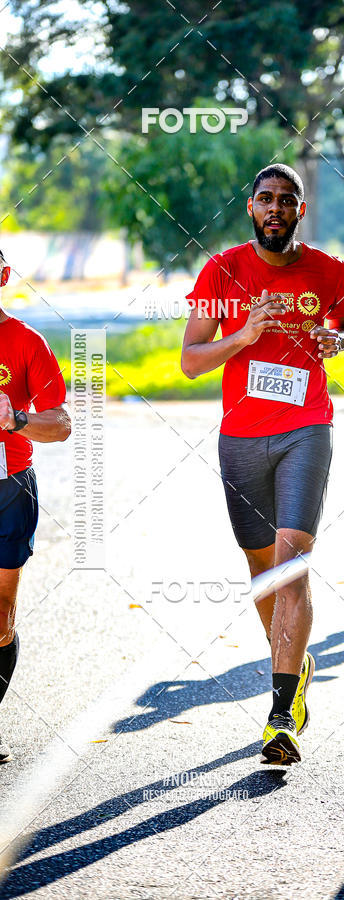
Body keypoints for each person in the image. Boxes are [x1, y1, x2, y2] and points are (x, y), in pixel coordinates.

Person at [181, 164, 344, 765]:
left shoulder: (328, 272)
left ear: (300, 211)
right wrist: (244, 334)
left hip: (307, 428)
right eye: (266, 200)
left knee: (290, 567)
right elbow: (190, 361)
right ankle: (294, 663)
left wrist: (340, 342)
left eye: (288, 200)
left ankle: (281, 715)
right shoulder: (222, 270)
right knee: (262, 572)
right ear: (251, 208)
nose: (276, 208)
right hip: (241, 438)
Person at [0, 249, 71, 761]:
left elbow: (62, 425)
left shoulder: (26, 343)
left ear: (3, 276)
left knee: (0, 614)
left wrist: (16, 420)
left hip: (10, 488)